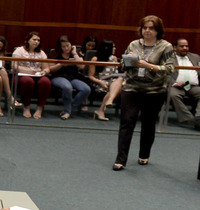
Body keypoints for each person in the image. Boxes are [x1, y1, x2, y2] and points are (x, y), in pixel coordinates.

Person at [113, 15, 175, 171]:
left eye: (151, 28)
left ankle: (144, 154)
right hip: (132, 88)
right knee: (127, 122)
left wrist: (148, 65)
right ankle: (120, 159)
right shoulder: (133, 44)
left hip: (154, 91)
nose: (147, 31)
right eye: (144, 28)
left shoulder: (166, 47)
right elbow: (122, 64)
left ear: (158, 30)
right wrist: (127, 62)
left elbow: (169, 69)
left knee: (148, 124)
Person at [48, 35, 91, 120]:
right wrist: (61, 64)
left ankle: (70, 108)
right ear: (60, 47)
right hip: (58, 77)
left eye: (68, 46)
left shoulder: (76, 53)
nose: (66, 48)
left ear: (71, 45)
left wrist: (75, 53)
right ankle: (67, 112)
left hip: (72, 77)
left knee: (86, 89)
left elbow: (82, 66)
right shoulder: (55, 53)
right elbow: (50, 69)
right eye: (63, 47)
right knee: (67, 87)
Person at [12, 31, 52, 119]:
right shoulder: (19, 50)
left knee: (46, 81)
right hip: (22, 76)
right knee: (28, 81)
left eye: (38, 40)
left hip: (37, 76)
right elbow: (14, 66)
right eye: (34, 39)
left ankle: (40, 108)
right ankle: (26, 107)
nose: (36, 42)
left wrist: (44, 72)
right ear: (28, 40)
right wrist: (29, 71)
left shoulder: (41, 53)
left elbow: (46, 68)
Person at [85, 40, 123, 121]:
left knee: (119, 82)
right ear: (106, 48)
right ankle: (101, 110)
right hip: (100, 81)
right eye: (113, 47)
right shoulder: (95, 59)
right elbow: (91, 76)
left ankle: (102, 108)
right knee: (114, 89)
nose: (115, 49)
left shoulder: (114, 58)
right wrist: (100, 82)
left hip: (114, 80)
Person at [167, 38, 200, 128]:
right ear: (175, 47)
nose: (185, 48)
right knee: (172, 95)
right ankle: (189, 120)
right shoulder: (169, 58)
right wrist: (174, 83)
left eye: (186, 46)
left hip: (193, 86)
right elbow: (163, 73)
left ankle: (198, 118)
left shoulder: (195, 57)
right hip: (175, 86)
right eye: (182, 46)